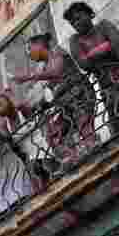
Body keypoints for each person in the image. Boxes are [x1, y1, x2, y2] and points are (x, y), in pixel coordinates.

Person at [9, 32, 98, 164]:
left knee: (83, 123)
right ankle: (72, 157)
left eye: (29, 48)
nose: (28, 54)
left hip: (79, 95)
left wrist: (28, 76)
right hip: (65, 103)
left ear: (39, 45)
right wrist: (34, 105)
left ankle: (94, 148)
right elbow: (50, 90)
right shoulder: (43, 66)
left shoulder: (57, 52)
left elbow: (56, 72)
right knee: (54, 135)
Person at [64, 1, 119, 135]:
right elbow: (83, 65)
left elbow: (118, 46)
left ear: (90, 14)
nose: (76, 23)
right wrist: (105, 47)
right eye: (72, 22)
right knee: (116, 123)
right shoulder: (75, 40)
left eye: (78, 17)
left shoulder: (104, 25)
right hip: (107, 85)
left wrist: (91, 54)